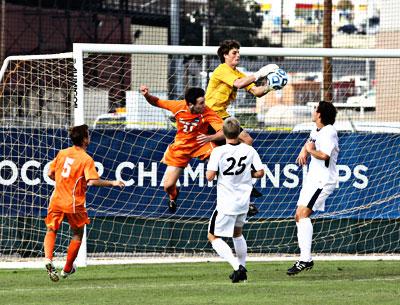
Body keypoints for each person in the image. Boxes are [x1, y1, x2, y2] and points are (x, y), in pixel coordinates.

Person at [44, 124, 125, 282]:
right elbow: (93, 181)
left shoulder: (62, 153)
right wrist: (113, 183)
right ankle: (67, 269)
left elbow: (50, 173)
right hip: (73, 203)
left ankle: (48, 259)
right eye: (88, 135)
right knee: (77, 233)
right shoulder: (86, 159)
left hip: (56, 199)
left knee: (51, 229)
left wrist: (61, 182)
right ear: (85, 140)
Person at [140, 85, 225, 213]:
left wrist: (211, 137)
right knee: (168, 186)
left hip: (202, 143)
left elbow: (224, 132)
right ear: (190, 104)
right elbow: (156, 102)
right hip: (181, 148)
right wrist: (147, 96)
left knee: (220, 161)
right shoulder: (178, 107)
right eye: (201, 103)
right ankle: (173, 196)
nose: (204, 105)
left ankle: (243, 194)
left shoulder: (207, 112)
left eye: (204, 102)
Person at [206, 117, 264, 283]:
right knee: (237, 234)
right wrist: (246, 174)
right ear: (239, 132)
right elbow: (260, 172)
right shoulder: (249, 150)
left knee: (212, 236)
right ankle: (242, 267)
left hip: (226, 203)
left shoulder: (218, 152)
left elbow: (209, 177)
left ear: (223, 133)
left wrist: (216, 172)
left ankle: (237, 266)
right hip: (243, 202)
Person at [287, 101, 339, 276]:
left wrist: (309, 151)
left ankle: (305, 259)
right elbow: (310, 141)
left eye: (315, 109)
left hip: (323, 181)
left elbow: (324, 155)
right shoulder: (316, 129)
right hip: (312, 179)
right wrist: (304, 150)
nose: (313, 111)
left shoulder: (329, 132)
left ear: (320, 114)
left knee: (303, 215)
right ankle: (305, 258)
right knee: (298, 216)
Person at [205, 39, 280, 146]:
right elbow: (239, 84)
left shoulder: (239, 74)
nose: (238, 55)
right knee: (245, 140)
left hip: (221, 114)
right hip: (210, 114)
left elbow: (257, 92)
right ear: (225, 55)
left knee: (244, 141)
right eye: (234, 53)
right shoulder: (222, 69)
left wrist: (271, 86)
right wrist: (260, 73)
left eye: (238, 52)